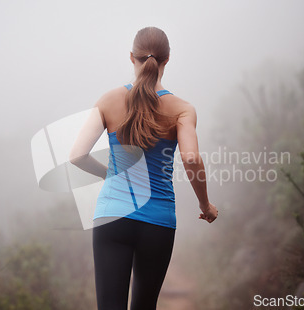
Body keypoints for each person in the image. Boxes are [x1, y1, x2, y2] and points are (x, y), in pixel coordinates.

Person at [70, 26, 218, 310]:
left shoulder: (108, 100)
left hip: (112, 215)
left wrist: (112, 175)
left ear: (132, 57)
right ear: (167, 59)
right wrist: (206, 205)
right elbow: (190, 158)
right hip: (158, 221)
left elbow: (77, 155)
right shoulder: (182, 109)